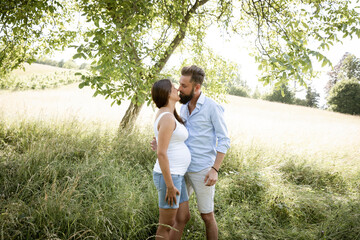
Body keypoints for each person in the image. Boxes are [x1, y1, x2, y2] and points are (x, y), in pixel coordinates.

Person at [151, 65, 230, 240]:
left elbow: (224, 140)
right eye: (178, 84)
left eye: (184, 86)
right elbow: (177, 134)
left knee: (207, 216)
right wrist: (161, 142)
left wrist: (215, 169)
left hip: (202, 170)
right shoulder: (184, 107)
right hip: (179, 171)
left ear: (197, 87)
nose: (179, 88)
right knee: (180, 218)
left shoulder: (212, 108)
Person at [151, 79, 192, 240]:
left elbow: (165, 141)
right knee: (166, 226)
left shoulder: (167, 114)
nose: (178, 90)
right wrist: (169, 185)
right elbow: (161, 153)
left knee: (183, 217)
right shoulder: (167, 117)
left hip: (177, 176)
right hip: (169, 177)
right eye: (175, 88)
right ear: (167, 93)